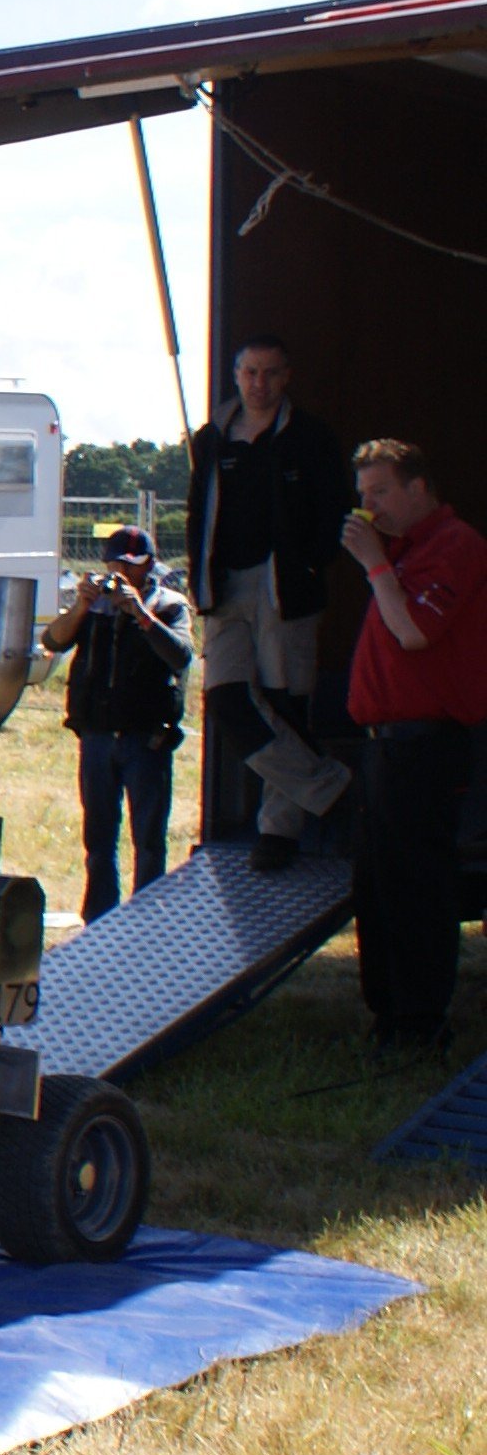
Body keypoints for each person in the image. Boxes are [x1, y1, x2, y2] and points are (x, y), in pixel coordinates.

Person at [338, 439, 487, 1053]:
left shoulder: (455, 546)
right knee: (377, 884)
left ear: (419, 489)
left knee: (418, 884)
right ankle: (388, 1013)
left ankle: (423, 1021)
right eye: (362, 495)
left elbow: (416, 632)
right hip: (384, 746)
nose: (369, 507)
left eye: (381, 492)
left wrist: (376, 567)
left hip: (426, 744)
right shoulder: (402, 552)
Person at [183, 336, 350, 871]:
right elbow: (195, 512)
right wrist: (198, 577)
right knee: (229, 700)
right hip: (225, 584)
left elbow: (335, 511)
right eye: (251, 373)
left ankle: (278, 831)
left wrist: (308, 564)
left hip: (284, 585)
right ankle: (330, 788)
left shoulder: (311, 438)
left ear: (287, 377)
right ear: (236, 376)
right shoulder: (212, 438)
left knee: (284, 702)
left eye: (271, 374)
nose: (260, 384)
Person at [39, 524, 194, 921]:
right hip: (97, 736)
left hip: (146, 738)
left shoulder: (168, 605)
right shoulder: (94, 608)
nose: (123, 573)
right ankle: (99, 918)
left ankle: (146, 921)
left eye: (132, 566)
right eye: (115, 565)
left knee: (148, 839)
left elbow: (180, 656)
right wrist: (80, 606)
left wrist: (139, 612)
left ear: (150, 566)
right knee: (99, 837)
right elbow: (53, 642)